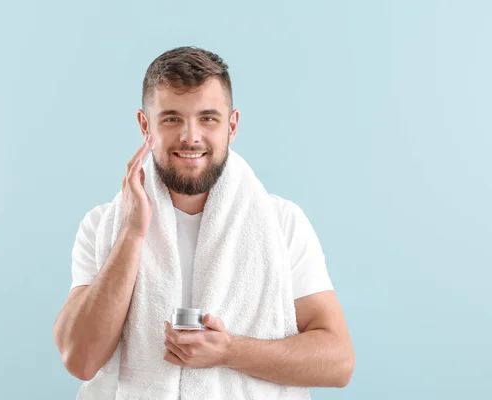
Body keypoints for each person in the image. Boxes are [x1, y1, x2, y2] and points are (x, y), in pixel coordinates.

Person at [53, 46, 355, 399]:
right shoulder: (103, 226)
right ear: (144, 125)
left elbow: (338, 362)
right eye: (171, 118)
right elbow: (80, 361)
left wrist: (228, 352)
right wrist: (132, 234)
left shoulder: (282, 224)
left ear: (232, 125)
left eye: (208, 118)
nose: (190, 136)